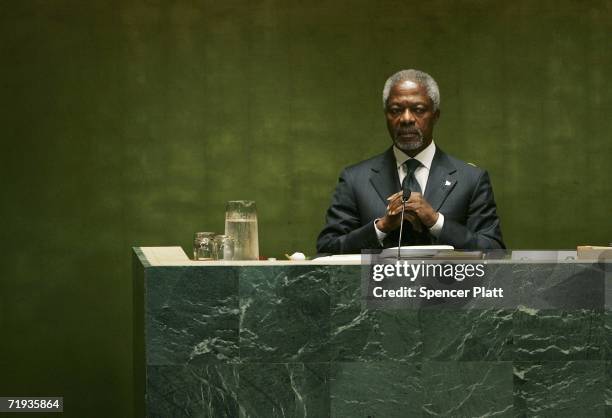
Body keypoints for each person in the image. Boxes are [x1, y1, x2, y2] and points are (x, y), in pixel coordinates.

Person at [316, 69, 505, 254]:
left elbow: (494, 250)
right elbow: (327, 248)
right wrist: (381, 227)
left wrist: (436, 222)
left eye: (418, 110)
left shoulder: (471, 180)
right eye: (396, 110)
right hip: (378, 286)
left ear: (436, 115)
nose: (406, 119)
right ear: (386, 116)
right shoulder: (355, 179)